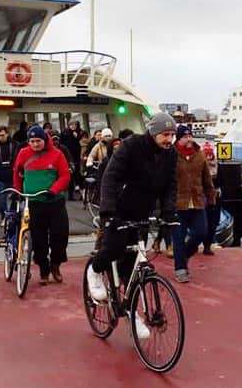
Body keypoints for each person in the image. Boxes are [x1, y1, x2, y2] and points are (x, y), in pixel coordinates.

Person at [87, 112, 178, 332]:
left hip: (141, 212)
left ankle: (130, 310)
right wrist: (108, 211)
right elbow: (110, 177)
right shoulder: (131, 146)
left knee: (132, 265)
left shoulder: (170, 154)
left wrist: (168, 212)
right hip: (118, 208)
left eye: (172, 135)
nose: (169, 139)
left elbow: (170, 185)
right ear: (154, 132)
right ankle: (95, 271)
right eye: (165, 134)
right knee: (114, 248)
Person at [13, 125, 71, 285]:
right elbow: (17, 173)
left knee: (60, 235)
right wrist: (17, 191)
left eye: (38, 141)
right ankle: (43, 270)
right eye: (32, 141)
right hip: (33, 201)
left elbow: (65, 175)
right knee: (38, 239)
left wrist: (54, 190)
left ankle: (55, 264)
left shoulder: (57, 154)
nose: (35, 144)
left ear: (45, 140)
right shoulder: (23, 154)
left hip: (55, 201)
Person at [171, 125, 216, 283]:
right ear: (178, 138)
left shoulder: (200, 155)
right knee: (178, 237)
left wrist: (211, 197)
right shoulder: (171, 155)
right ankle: (180, 269)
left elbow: (207, 178)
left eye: (190, 135)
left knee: (201, 233)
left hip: (197, 201)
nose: (189, 139)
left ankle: (183, 256)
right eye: (185, 136)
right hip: (178, 203)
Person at [0, 125, 17, 215]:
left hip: (13, 174)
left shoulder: (14, 144)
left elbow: (18, 158)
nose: (0, 137)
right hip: (0, 176)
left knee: (15, 197)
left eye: (2, 135)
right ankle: (4, 216)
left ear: (7, 134)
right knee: (2, 198)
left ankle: (13, 215)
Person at [202, 142, 221, 255]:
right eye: (206, 155)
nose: (209, 157)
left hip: (215, 196)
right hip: (203, 196)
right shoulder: (200, 166)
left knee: (213, 222)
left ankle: (207, 245)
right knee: (203, 222)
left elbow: (221, 181)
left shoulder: (217, 166)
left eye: (210, 155)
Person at [60, 120, 86, 194]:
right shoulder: (65, 133)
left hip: (77, 153)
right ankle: (70, 187)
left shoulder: (80, 132)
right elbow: (62, 143)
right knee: (70, 170)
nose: (73, 126)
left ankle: (78, 185)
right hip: (68, 153)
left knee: (77, 169)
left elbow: (83, 142)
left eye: (75, 125)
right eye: (71, 124)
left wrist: (77, 137)